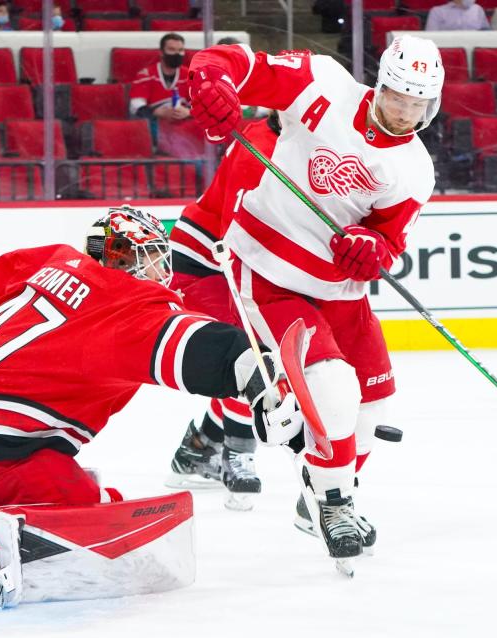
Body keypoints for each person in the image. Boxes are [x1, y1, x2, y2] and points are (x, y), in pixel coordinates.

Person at [0, 205, 308, 608]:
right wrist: (262, 383)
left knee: (24, 482)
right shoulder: (132, 306)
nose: (162, 270)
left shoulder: (50, 260)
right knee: (75, 497)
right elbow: (201, 348)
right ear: (127, 257)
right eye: (154, 256)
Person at [186, 35, 442, 568]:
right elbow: (237, 61)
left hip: (340, 293)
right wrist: (212, 79)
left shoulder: (416, 169)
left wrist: (372, 248)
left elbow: (388, 240)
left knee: (375, 406)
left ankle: (312, 498)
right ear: (380, 86)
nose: (404, 112)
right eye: (398, 97)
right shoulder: (322, 82)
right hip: (269, 270)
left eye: (417, 104)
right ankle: (335, 504)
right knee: (333, 388)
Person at [166, 113, 282, 511]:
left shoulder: (309, 139)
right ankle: (237, 453)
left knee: (260, 357)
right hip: (208, 256)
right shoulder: (262, 144)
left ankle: (198, 449)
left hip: (237, 255)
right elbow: (245, 223)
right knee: (246, 354)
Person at [129, 33, 191, 122]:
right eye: (171, 49)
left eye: (180, 50)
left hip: (184, 123)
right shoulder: (146, 75)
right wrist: (156, 112)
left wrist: (188, 112)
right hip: (154, 123)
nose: (177, 54)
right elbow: (135, 105)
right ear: (161, 52)